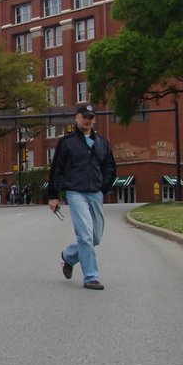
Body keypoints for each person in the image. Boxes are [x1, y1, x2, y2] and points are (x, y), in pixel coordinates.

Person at [48, 104, 117, 291]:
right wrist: (54, 196)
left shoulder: (102, 143)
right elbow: (57, 170)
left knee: (95, 237)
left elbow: (110, 167)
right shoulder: (67, 142)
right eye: (84, 116)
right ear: (77, 118)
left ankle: (68, 257)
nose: (87, 120)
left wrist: (103, 187)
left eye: (91, 117)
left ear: (94, 119)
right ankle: (91, 277)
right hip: (75, 192)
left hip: (95, 193)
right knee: (85, 235)